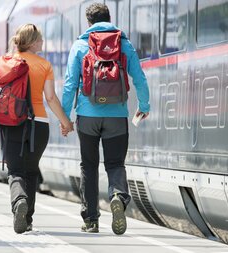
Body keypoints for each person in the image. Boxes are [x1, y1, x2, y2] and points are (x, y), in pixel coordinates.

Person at [61, 3, 150, 235]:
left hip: (87, 116)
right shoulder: (124, 43)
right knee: (115, 164)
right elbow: (139, 77)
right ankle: (118, 196)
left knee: (88, 167)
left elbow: (70, 84)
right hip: (117, 116)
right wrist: (144, 105)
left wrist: (64, 117)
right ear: (110, 19)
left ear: (88, 23)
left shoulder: (80, 45)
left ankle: (90, 220)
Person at [0, 24, 73, 234]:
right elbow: (50, 98)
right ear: (32, 42)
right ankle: (27, 219)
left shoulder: (6, 62)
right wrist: (65, 122)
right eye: (40, 39)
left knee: (15, 171)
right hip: (38, 124)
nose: (42, 42)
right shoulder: (44, 65)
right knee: (31, 170)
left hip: (11, 122)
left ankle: (19, 202)